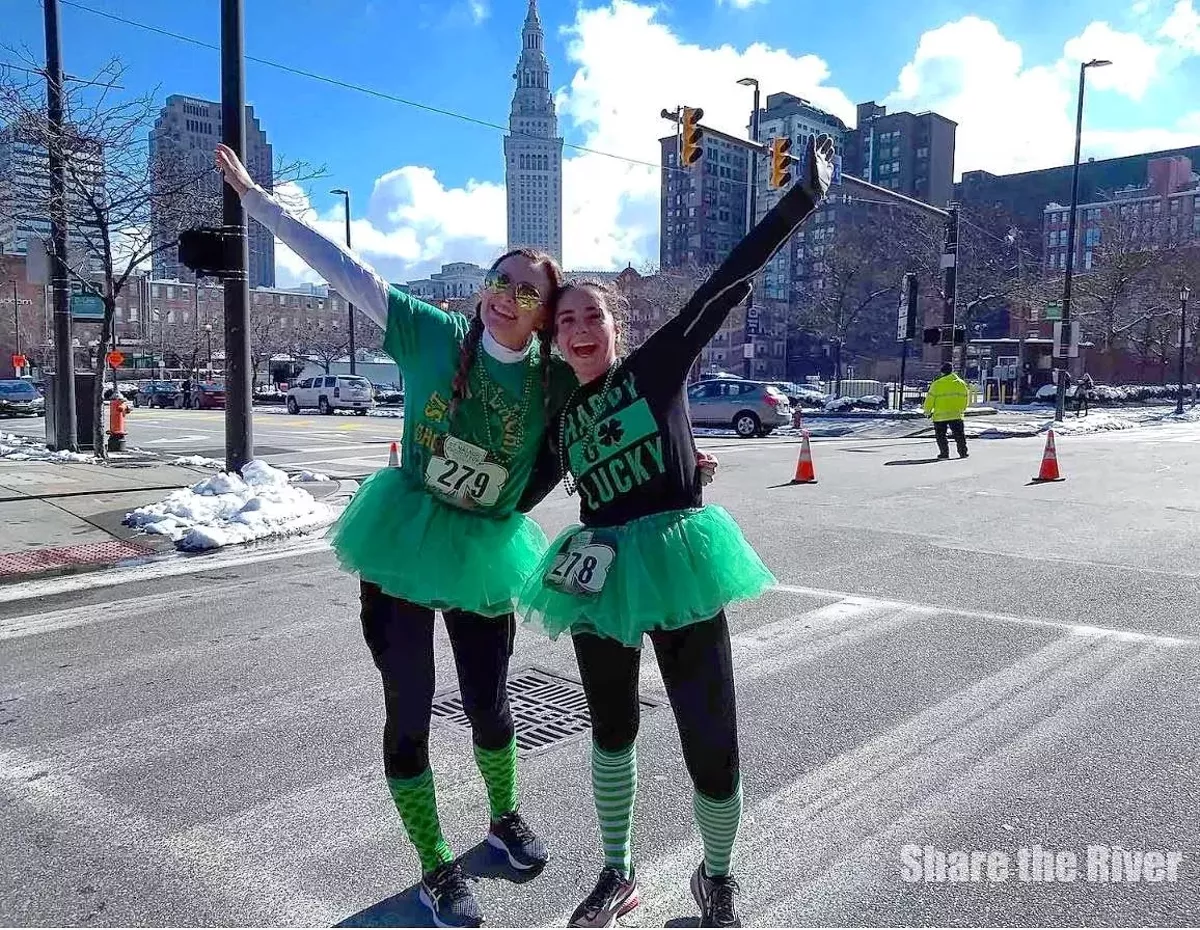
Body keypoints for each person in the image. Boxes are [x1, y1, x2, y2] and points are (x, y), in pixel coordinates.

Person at [216, 144, 566, 928]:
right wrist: (260, 206)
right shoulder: (432, 334)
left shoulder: (550, 377)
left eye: (527, 291)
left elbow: (623, 387)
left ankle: (504, 818)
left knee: (490, 703)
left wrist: (685, 447)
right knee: (408, 708)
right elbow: (343, 268)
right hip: (403, 540)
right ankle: (434, 867)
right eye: (500, 281)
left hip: (483, 546)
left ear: (545, 311)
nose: (509, 297)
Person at [516, 135, 835, 929]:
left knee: (708, 727)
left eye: (594, 315)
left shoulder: (655, 369)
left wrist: (798, 201)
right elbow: (520, 494)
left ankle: (717, 877)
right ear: (554, 339)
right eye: (567, 321)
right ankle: (617, 873)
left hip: (679, 560)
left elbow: (723, 285)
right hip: (594, 571)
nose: (582, 328)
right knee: (612, 729)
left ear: (614, 328)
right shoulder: (561, 415)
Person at [924, 362, 970, 459]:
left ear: (942, 372)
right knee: (959, 435)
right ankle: (963, 452)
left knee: (941, 436)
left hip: (940, 415)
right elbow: (966, 398)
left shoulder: (937, 384)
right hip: (956, 414)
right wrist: (962, 409)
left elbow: (930, 399)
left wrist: (927, 411)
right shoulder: (961, 383)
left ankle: (944, 454)